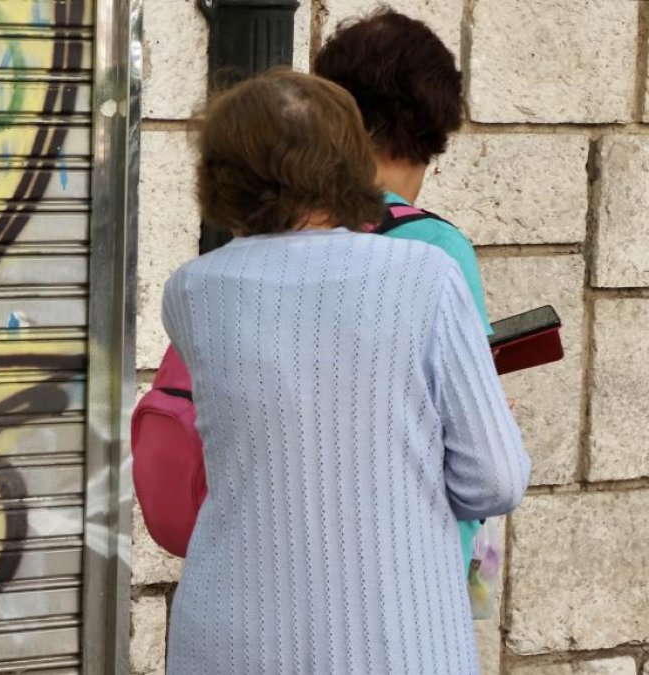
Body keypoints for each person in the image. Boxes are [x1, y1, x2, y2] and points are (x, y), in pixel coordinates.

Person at [162, 69, 530, 674]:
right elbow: (495, 480)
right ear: (349, 164)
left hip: (228, 643)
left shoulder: (192, 292)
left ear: (221, 177)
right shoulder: (427, 276)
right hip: (399, 641)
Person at [315, 8, 492, 573]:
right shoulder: (436, 249)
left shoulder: (280, 227)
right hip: (404, 562)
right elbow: (482, 459)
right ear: (435, 126)